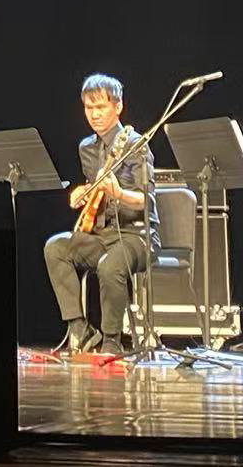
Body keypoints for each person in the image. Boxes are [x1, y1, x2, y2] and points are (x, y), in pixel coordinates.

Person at [43, 74, 158, 356]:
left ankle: (111, 341)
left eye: (100, 107)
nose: (94, 114)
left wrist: (119, 193)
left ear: (118, 107)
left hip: (137, 236)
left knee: (109, 266)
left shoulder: (136, 145)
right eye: (88, 107)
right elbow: (96, 193)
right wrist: (83, 194)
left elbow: (147, 200)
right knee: (56, 247)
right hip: (102, 235)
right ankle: (80, 329)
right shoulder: (87, 148)